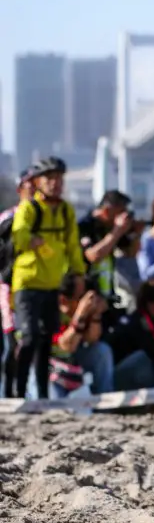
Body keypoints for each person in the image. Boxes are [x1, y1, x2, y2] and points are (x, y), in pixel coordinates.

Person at [11, 156, 86, 399]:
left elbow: (73, 246)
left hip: (52, 284)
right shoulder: (30, 208)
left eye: (59, 179)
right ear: (38, 182)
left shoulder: (65, 211)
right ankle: (19, 391)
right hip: (28, 283)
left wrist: (79, 274)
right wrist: (31, 240)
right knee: (30, 337)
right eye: (49, 179)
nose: (55, 184)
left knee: (46, 340)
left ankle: (42, 394)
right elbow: (19, 233)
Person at [48, 273, 114, 399]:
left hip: (74, 360)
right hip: (51, 364)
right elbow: (67, 346)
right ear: (63, 300)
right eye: (80, 297)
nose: (85, 301)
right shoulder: (53, 312)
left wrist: (96, 314)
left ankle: (105, 403)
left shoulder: (85, 310)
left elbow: (91, 339)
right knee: (57, 406)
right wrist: (80, 314)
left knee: (102, 350)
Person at [2, 167, 35, 398]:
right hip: (9, 288)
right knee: (11, 344)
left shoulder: (48, 217)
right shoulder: (7, 218)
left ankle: (24, 392)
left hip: (37, 287)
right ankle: (9, 394)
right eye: (29, 185)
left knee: (31, 342)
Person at [77, 189, 134, 301]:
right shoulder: (84, 226)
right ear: (107, 211)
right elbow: (93, 256)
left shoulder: (110, 228)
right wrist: (117, 231)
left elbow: (131, 252)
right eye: (120, 212)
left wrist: (135, 233)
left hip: (107, 294)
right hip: (87, 295)